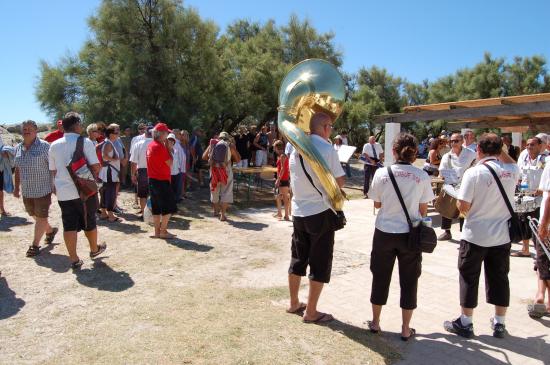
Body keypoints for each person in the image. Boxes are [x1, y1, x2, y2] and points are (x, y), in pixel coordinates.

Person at [444, 133, 519, 339]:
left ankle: (466, 322)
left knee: (469, 277)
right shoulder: (511, 171)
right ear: (500, 151)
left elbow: (463, 206)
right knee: (500, 278)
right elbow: (511, 162)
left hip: (475, 235)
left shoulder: (474, 173)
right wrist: (500, 150)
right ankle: (499, 323)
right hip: (502, 235)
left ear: (478, 150)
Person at [367, 133, 434, 340]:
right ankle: (406, 328)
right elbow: (423, 210)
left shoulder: (381, 173)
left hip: (384, 232)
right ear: (414, 154)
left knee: (380, 277)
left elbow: (377, 203)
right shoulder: (422, 176)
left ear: (393, 151)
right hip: (410, 235)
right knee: (409, 280)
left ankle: (376, 322)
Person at [287, 112, 345, 324]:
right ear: (325, 127)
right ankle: (311, 312)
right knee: (319, 263)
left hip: (298, 211)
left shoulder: (295, 148)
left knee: (297, 258)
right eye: (330, 126)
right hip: (320, 212)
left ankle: (294, 302)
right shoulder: (327, 148)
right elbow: (339, 182)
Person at [48, 112, 106, 269]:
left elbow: (53, 171)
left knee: (69, 225)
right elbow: (95, 165)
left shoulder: (54, 145)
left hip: (64, 193)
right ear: (77, 125)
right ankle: (94, 249)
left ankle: (74, 259)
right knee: (90, 221)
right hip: (85, 191)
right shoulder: (85, 142)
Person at [13, 120, 59, 257]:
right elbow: (18, 168)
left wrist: (55, 185)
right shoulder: (18, 148)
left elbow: (53, 167)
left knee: (40, 217)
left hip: (43, 190)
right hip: (27, 190)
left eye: (29, 128)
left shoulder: (45, 146)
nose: (26, 131)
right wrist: (16, 188)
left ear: (36, 131)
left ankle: (35, 245)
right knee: (34, 215)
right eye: (24, 129)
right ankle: (50, 231)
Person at [437, 132, 476, 241]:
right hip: (451, 185)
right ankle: (447, 232)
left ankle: (464, 233)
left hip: (466, 185)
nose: (453, 143)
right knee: (446, 208)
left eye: (456, 141)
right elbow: (441, 171)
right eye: (451, 141)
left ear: (462, 141)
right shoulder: (447, 156)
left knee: (464, 209)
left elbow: (477, 167)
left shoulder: (471, 154)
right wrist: (442, 176)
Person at [513, 137, 545, 257]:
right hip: (525, 196)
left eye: (532, 145)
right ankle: (525, 249)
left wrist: (543, 189)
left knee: (538, 226)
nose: (529, 147)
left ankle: (541, 254)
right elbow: (520, 176)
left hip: (540, 199)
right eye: (527, 145)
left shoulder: (546, 160)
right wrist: (519, 184)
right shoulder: (523, 158)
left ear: (540, 145)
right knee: (524, 223)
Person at [147, 122, 177, 239]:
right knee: (167, 207)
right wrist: (168, 148)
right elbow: (170, 163)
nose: (167, 136)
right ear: (162, 134)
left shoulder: (151, 145)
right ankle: (163, 231)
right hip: (162, 180)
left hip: (153, 179)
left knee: (156, 207)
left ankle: (157, 232)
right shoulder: (160, 147)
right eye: (167, 133)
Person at [203, 132, 241, 221]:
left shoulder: (213, 144)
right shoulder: (229, 146)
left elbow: (204, 157)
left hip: (214, 172)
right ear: (227, 138)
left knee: (214, 192)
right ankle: (223, 215)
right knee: (226, 192)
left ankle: (216, 211)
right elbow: (238, 159)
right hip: (226, 172)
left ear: (219, 137)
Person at [532, 163, 550, 317]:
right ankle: (540, 294)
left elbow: (549, 196)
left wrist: (544, 223)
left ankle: (543, 298)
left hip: (548, 225)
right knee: (542, 261)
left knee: (543, 261)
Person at [98, 125, 122, 223]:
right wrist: (115, 159)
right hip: (110, 172)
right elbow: (105, 156)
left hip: (108, 171)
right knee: (110, 193)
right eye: (116, 133)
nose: (118, 134)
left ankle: (104, 213)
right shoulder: (108, 143)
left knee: (105, 192)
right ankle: (111, 215)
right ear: (111, 134)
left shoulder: (108, 142)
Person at [130, 127, 153, 217]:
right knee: (154, 193)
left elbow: (133, 162)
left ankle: (144, 214)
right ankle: (154, 213)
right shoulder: (159, 144)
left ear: (145, 133)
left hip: (142, 170)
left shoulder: (138, 144)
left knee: (142, 194)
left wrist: (133, 174)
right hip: (155, 171)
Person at [274, 140, 291, 221]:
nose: (274, 149)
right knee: (279, 196)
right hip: (283, 178)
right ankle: (280, 213)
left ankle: (286, 215)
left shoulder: (282, 156)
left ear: (277, 147)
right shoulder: (281, 156)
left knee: (284, 197)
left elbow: (283, 169)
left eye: (275, 148)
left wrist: (278, 179)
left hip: (283, 179)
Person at [167, 133, 185, 202]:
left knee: (176, 189)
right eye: (169, 140)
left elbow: (178, 161)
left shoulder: (176, 151)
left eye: (172, 140)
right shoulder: (165, 151)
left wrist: (179, 169)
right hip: (169, 174)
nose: (171, 142)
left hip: (176, 173)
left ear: (174, 142)